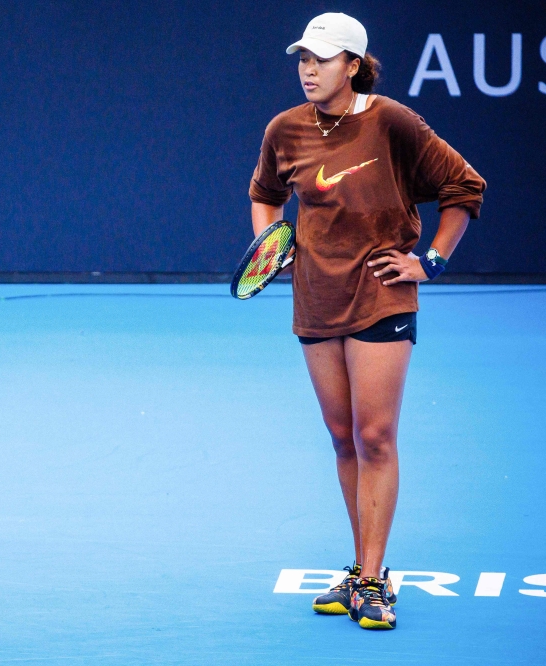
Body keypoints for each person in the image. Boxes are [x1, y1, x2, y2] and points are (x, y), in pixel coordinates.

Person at [249, 13, 485, 630]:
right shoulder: (284, 129)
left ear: (353, 65)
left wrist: (430, 262)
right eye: (303, 58)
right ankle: (360, 569)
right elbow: (265, 194)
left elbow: (464, 187)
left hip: (382, 294)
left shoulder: (393, 122)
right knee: (342, 436)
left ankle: (375, 580)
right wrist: (272, 247)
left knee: (375, 436)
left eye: (322, 59)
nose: (308, 70)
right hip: (315, 297)